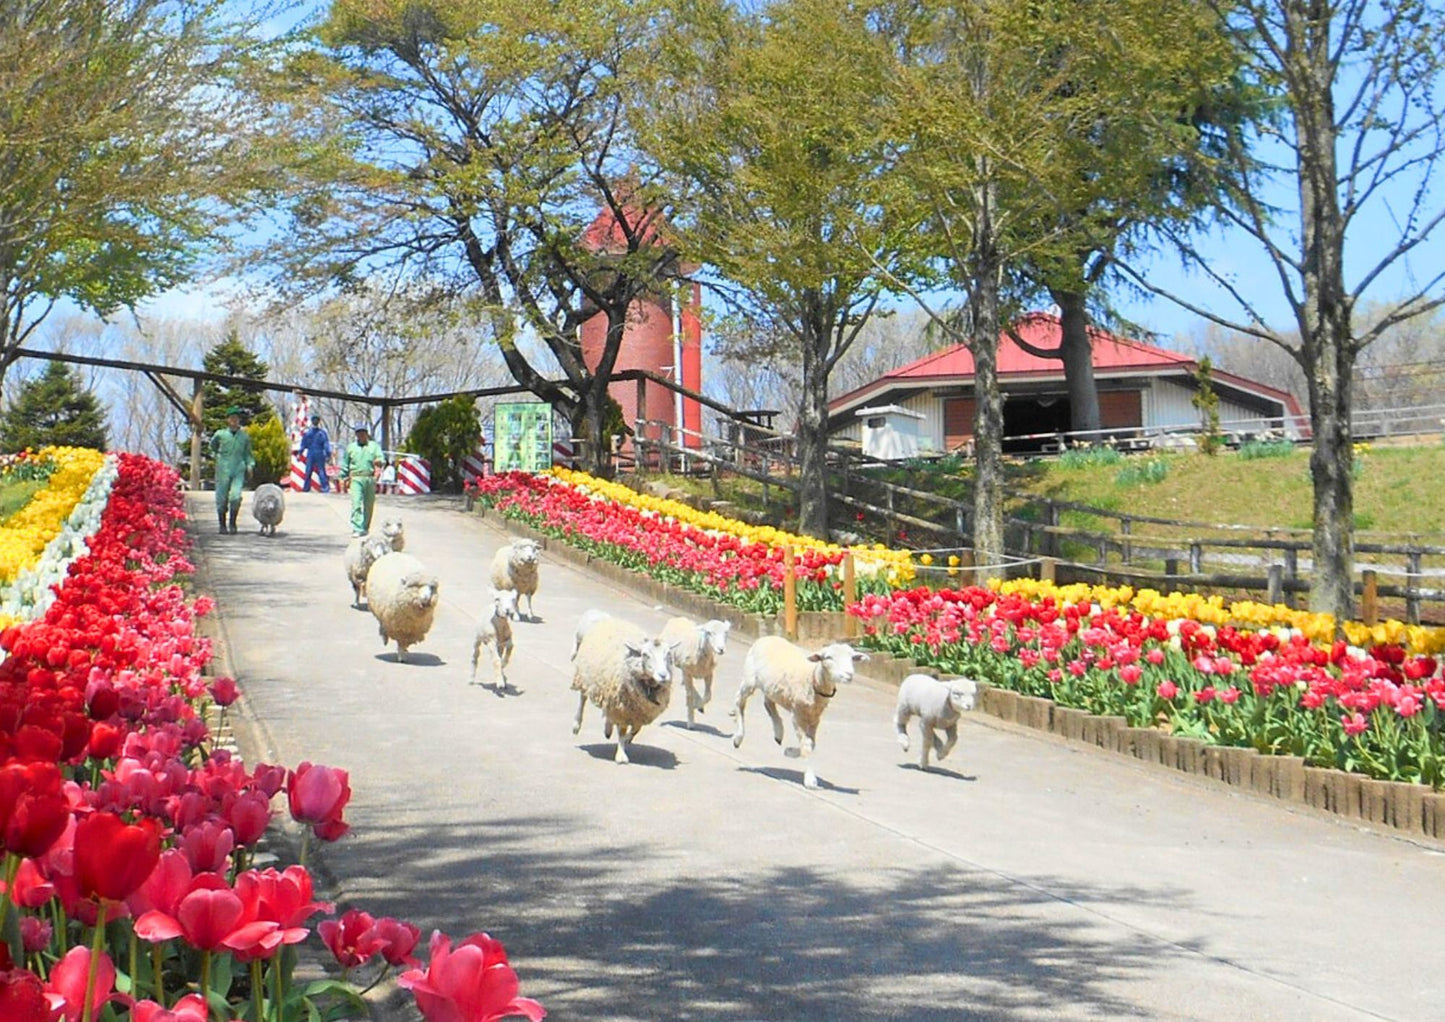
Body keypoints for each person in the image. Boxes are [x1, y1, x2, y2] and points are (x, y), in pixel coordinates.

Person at [209, 407, 254, 535]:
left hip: (238, 469)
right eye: (232, 418)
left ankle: (233, 523)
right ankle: (222, 524)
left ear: (239, 420)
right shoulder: (220, 434)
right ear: (228, 420)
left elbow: (248, 453)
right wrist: (218, 457)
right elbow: (213, 446)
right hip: (223, 469)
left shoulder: (244, 437)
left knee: (235, 497)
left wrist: (250, 465)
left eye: (236, 418)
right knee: (221, 498)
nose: (234, 420)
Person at [341, 423, 385, 536]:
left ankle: (365, 527)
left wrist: (379, 462)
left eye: (363, 432)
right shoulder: (351, 447)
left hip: (369, 478)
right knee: (356, 503)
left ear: (367, 434)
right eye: (359, 433)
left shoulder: (374, 446)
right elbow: (345, 463)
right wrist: (343, 476)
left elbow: (381, 458)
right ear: (356, 434)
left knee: (369, 505)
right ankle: (357, 528)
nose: (361, 435)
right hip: (356, 477)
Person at [300, 415, 332, 493]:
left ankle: (307, 488)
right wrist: (328, 454)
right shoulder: (321, 433)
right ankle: (324, 488)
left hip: (314, 452)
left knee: (313, 471)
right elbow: (326, 445)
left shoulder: (309, 433)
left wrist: (300, 452)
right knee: (317, 470)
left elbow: (303, 444)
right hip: (317, 453)